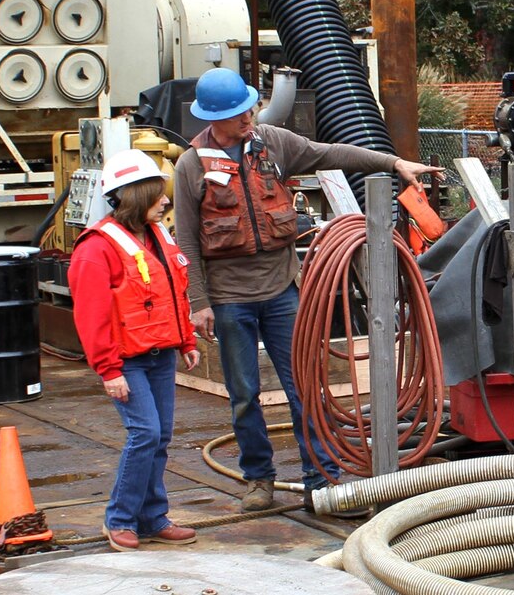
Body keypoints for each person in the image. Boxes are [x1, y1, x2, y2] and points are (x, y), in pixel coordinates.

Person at [173, 67, 442, 513]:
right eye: (239, 113)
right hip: (228, 299)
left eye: (250, 108)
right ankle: (259, 479)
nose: (248, 118)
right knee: (243, 396)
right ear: (213, 118)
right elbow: (186, 239)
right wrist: (198, 303)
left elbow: (332, 152)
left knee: (305, 389)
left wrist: (394, 163)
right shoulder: (191, 165)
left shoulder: (273, 144)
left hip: (281, 291)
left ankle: (322, 480)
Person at [68, 148, 201, 552]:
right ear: (135, 196)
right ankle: (121, 519)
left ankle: (152, 516)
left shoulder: (157, 237)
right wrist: (108, 370)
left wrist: (186, 341)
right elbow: (91, 316)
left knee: (160, 437)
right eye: (157, 194)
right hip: (127, 360)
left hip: (160, 355)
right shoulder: (96, 249)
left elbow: (174, 292)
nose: (165, 201)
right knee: (144, 434)